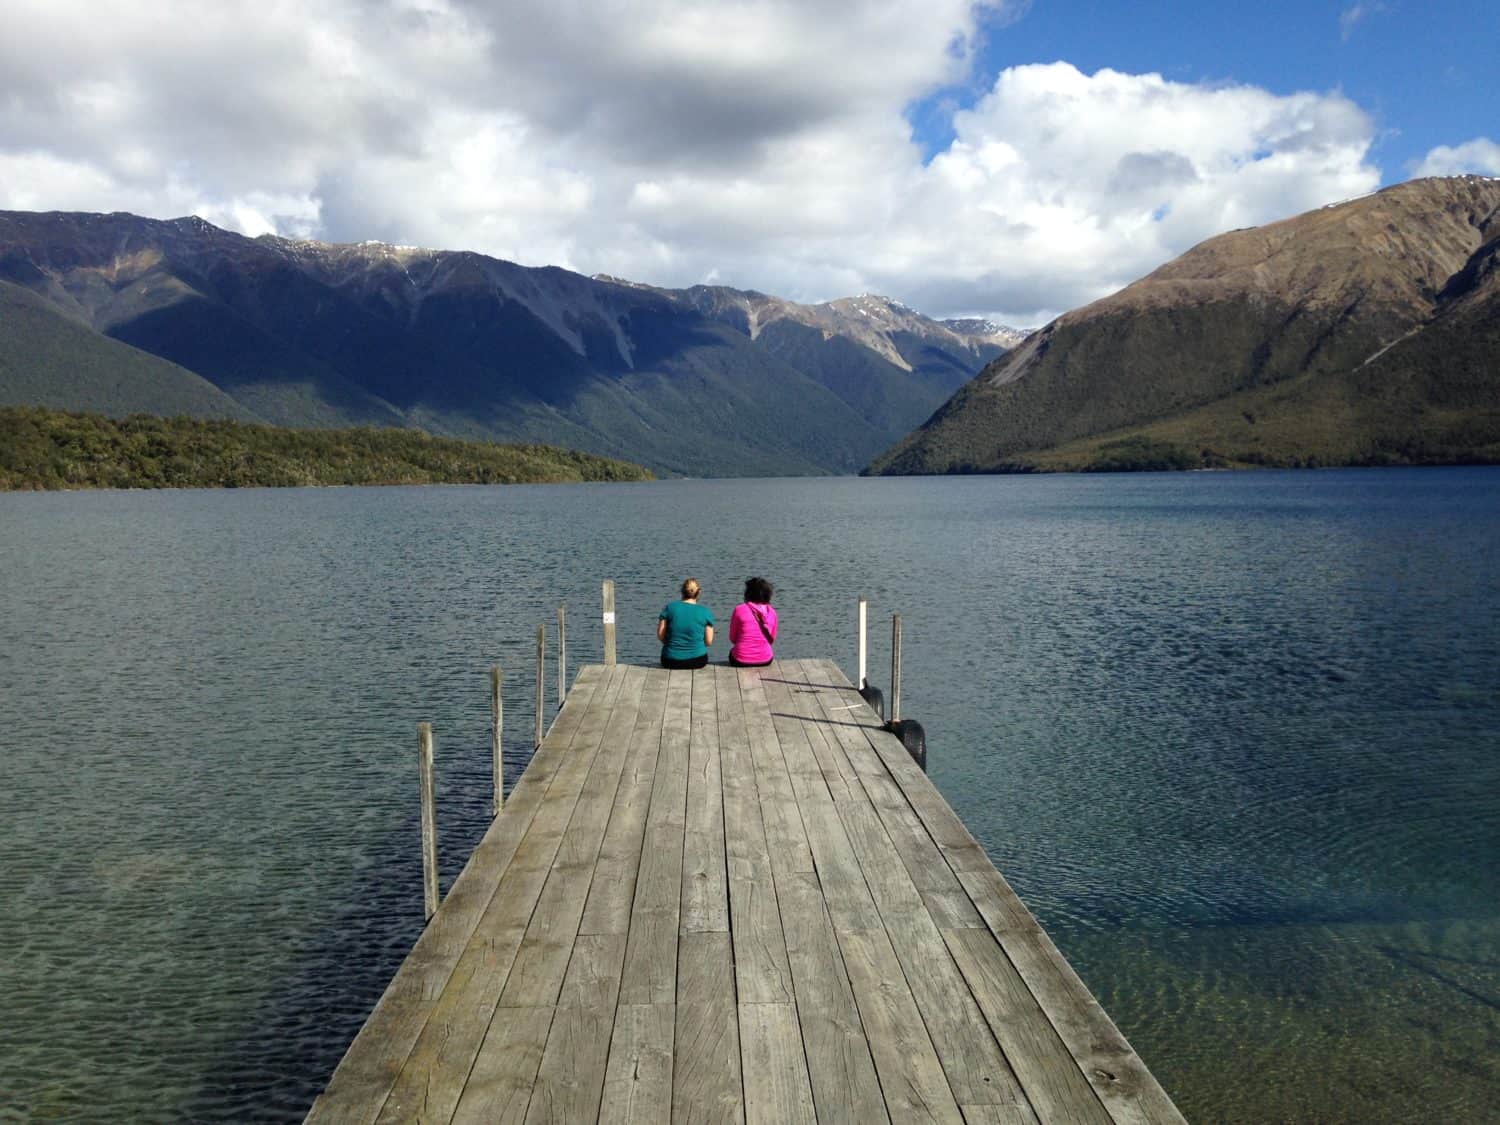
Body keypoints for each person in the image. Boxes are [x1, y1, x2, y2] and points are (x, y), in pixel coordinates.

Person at [658, 577, 715, 669]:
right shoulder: (705, 612)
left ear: (682, 591)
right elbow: (708, 642)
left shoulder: (669, 608)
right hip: (697, 660)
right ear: (699, 592)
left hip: (670, 660)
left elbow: (661, 635)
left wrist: (671, 644)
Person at [728, 576, 777, 667]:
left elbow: (733, 639)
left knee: (732, 652)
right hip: (766, 659)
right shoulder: (772, 612)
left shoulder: (739, 609)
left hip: (740, 659)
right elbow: (771, 640)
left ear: (748, 593)